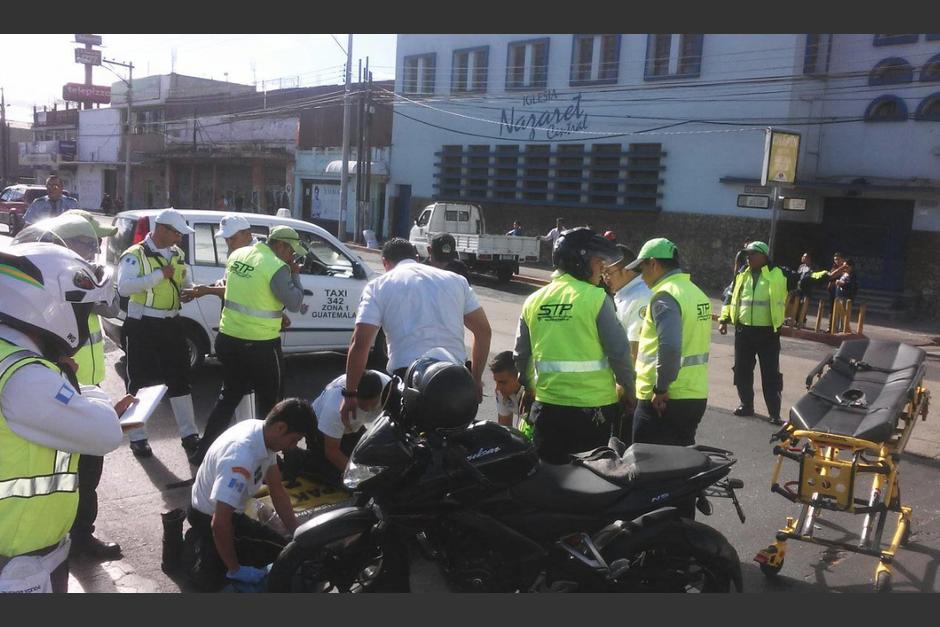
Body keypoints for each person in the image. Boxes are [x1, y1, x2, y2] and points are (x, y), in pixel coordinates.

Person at [0, 243, 128, 593]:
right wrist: (85, 392)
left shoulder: (11, 357)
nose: (85, 321)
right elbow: (105, 434)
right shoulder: (27, 378)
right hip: (17, 562)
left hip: (36, 550)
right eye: (82, 310)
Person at [190, 225, 308, 465]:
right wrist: (295, 273)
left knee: (229, 396)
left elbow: (246, 292)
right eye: (291, 253)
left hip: (229, 339)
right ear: (281, 246)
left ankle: (202, 452)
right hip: (260, 344)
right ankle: (268, 461)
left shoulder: (238, 255)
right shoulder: (276, 267)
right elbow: (295, 302)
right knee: (271, 404)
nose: (292, 258)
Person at [515, 228, 634, 464]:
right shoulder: (596, 299)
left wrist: (529, 387)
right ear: (580, 260)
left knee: (550, 476)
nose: (602, 269)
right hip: (592, 411)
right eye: (598, 262)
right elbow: (619, 353)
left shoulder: (534, 300)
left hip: (548, 406)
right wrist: (629, 389)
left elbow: (522, 355)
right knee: (590, 478)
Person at [341, 238, 492, 425]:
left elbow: (360, 344)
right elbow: (484, 331)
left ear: (385, 262)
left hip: (410, 381)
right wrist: (475, 379)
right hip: (455, 380)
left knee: (405, 447)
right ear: (417, 257)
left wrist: (350, 393)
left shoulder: (378, 286)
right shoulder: (456, 280)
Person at [187, 398, 311, 591]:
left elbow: (277, 490)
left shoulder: (263, 434)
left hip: (220, 510)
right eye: (294, 439)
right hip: (210, 517)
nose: (293, 446)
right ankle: (204, 552)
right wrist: (235, 569)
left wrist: (298, 534)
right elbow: (220, 522)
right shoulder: (240, 458)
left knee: (288, 548)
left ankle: (206, 548)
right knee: (282, 556)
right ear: (280, 427)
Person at [116, 208, 201, 459]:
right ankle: (137, 438)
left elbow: (184, 280)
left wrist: (190, 290)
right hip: (143, 325)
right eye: (177, 233)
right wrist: (157, 276)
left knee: (180, 379)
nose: (180, 238)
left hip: (172, 323)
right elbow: (124, 287)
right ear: (162, 229)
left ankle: (190, 435)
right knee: (139, 383)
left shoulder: (177, 253)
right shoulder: (134, 254)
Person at [624, 238, 712, 446]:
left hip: (664, 399)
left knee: (647, 465)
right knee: (680, 466)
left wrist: (661, 388)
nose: (641, 275)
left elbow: (670, 346)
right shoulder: (697, 293)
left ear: (653, 263)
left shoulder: (665, 296)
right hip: (694, 395)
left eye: (642, 267)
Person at [717, 240, 788, 425]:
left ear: (764, 256)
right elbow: (730, 297)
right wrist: (724, 319)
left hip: (768, 333)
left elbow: (805, 279)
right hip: (744, 331)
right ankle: (746, 404)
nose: (749, 258)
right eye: (747, 255)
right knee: (742, 370)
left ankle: (774, 413)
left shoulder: (778, 273)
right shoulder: (741, 274)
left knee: (770, 373)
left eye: (753, 254)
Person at [304, 370, 391, 483]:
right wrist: (360, 478)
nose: (369, 409)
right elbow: (331, 452)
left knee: (371, 461)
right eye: (363, 406)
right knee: (342, 479)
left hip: (353, 427)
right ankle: (300, 457)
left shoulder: (388, 388)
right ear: (354, 397)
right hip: (322, 429)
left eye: (373, 405)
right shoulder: (335, 408)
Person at [602, 244, 653, 365]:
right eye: (602, 273)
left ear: (628, 269)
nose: (605, 278)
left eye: (608, 272)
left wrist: (623, 382)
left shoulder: (640, 297)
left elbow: (634, 350)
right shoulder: (626, 293)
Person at [488, 350, 528, 430]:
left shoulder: (534, 390)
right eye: (496, 382)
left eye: (503, 382)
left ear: (518, 377)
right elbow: (505, 429)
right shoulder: (501, 393)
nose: (497, 389)